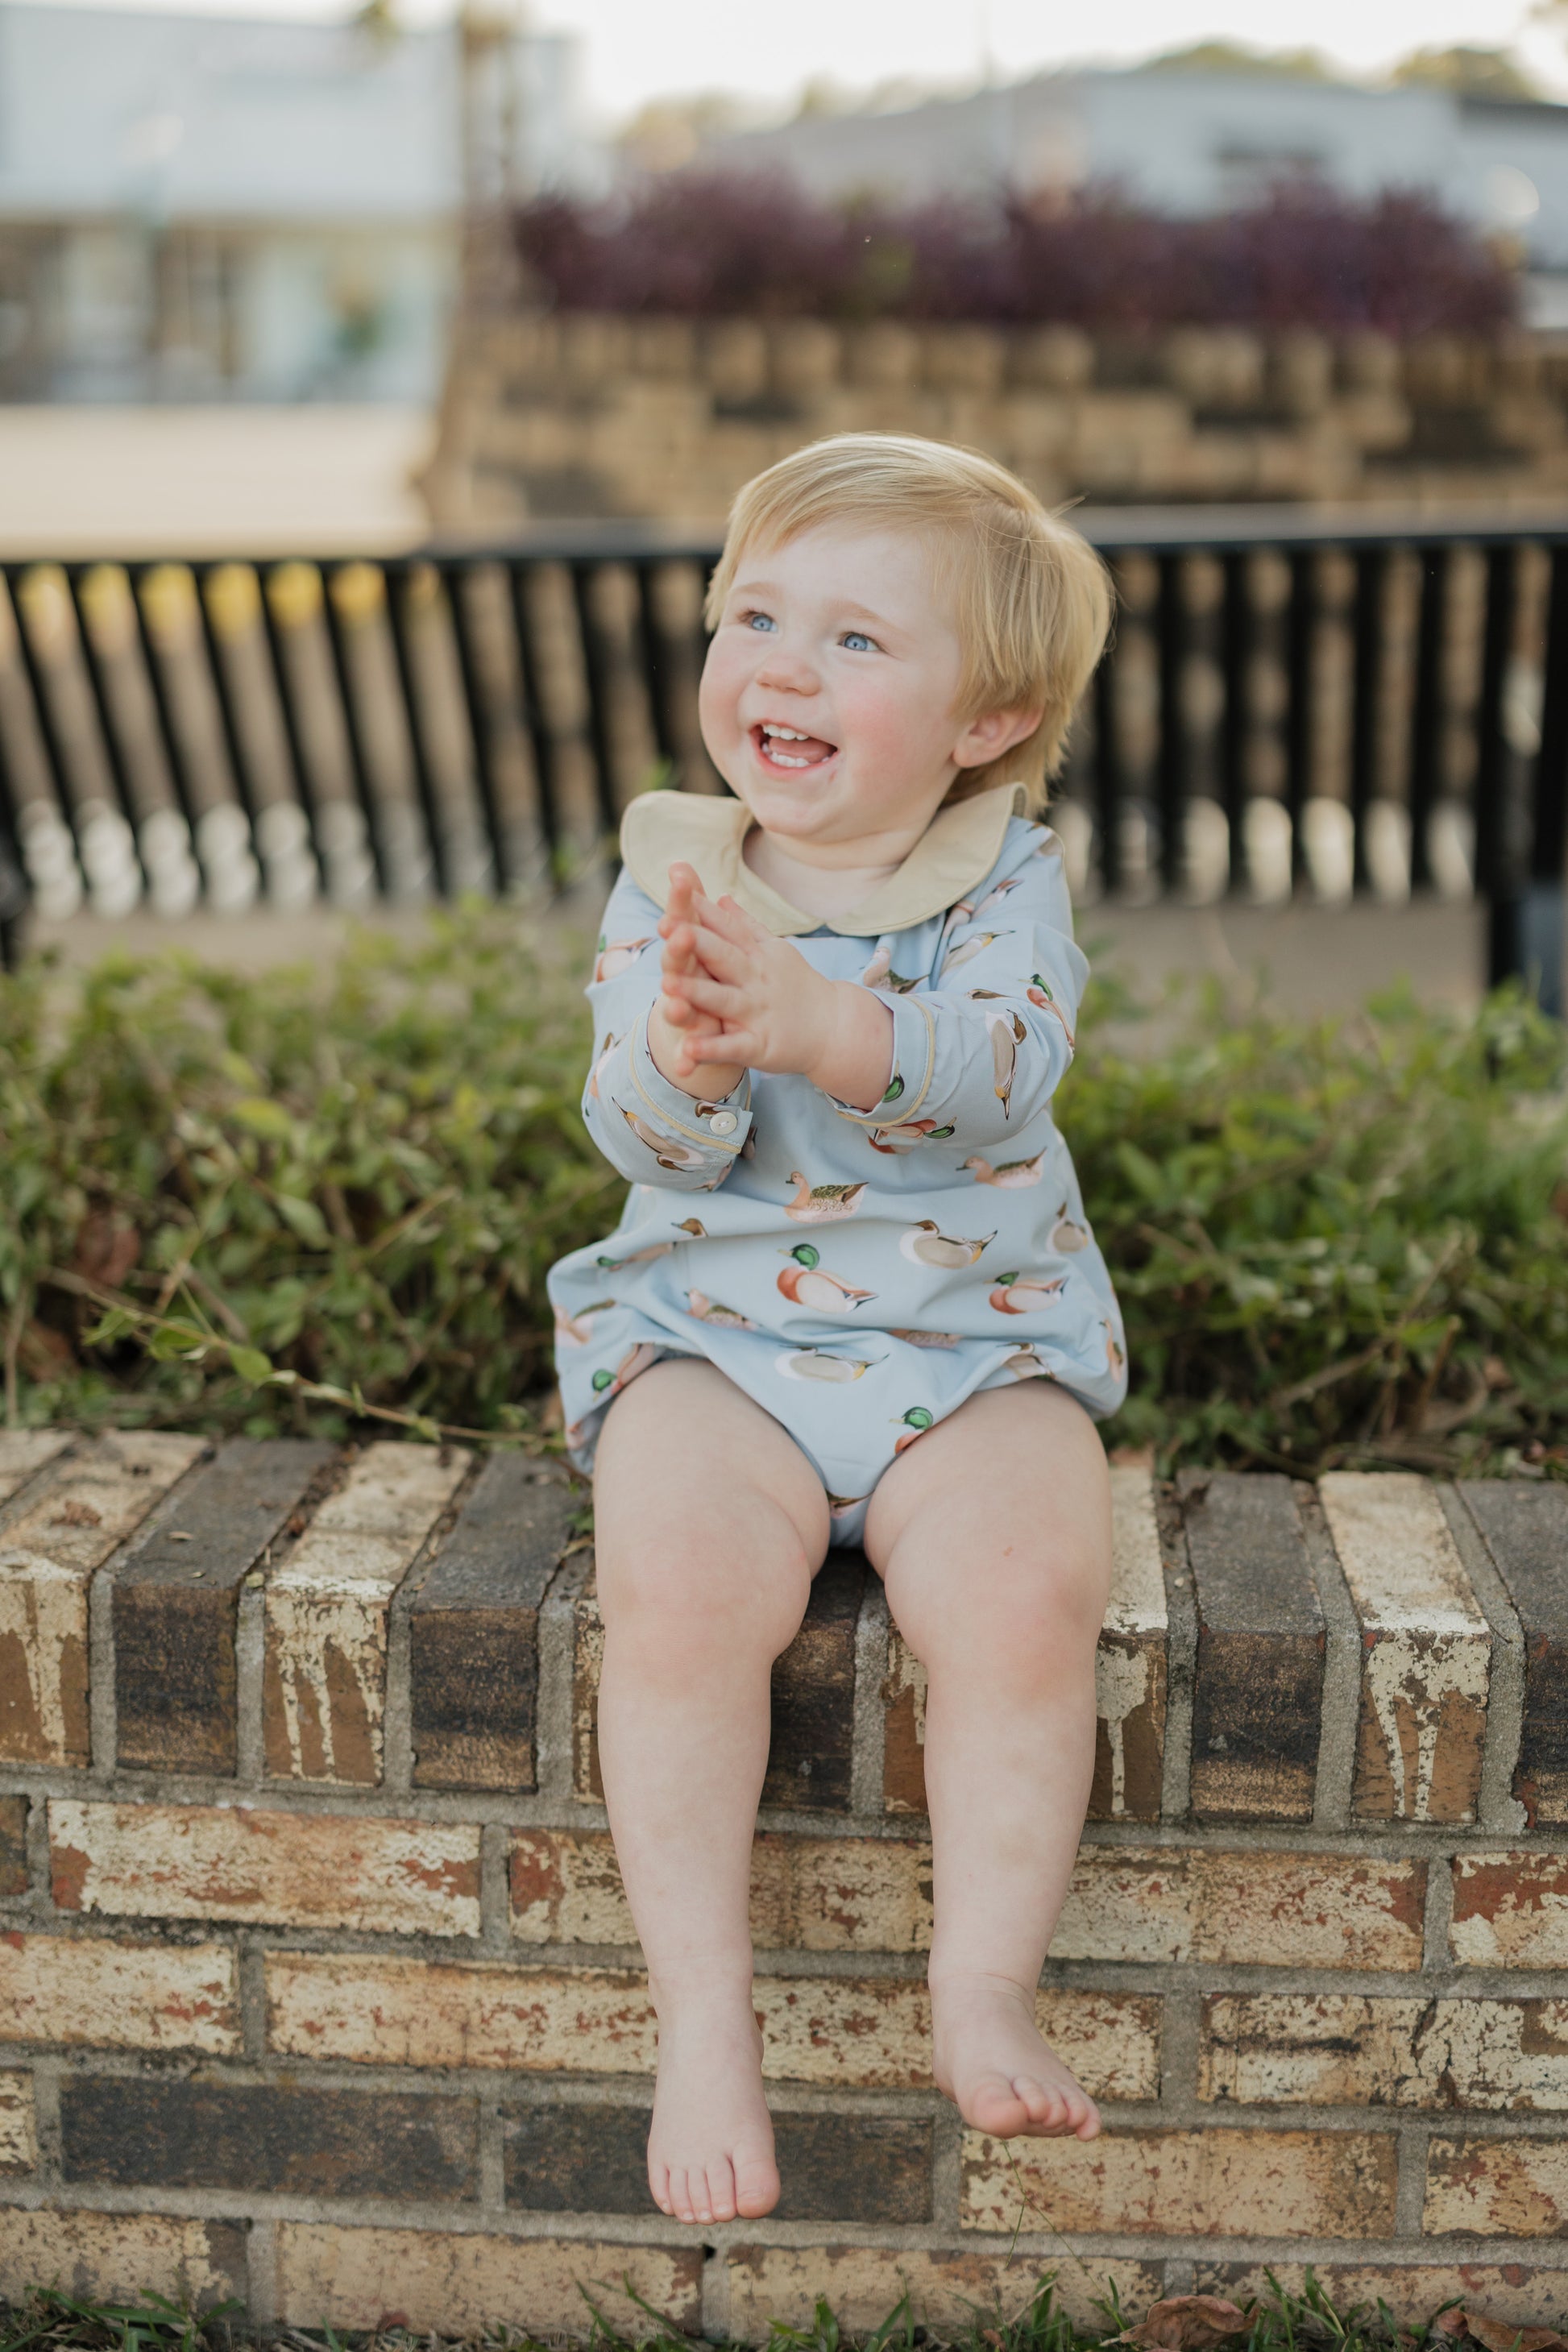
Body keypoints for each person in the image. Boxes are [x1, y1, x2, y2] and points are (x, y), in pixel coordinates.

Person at [547, 432, 1126, 2230]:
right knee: (679, 1596)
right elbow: (634, 1136)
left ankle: (979, 1976)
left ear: (985, 718)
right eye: (758, 616)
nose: (783, 664)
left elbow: (996, 1073)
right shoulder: (679, 875)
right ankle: (704, 2014)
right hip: (721, 1348)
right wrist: (686, 1059)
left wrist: (817, 1022)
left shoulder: (1000, 879)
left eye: (858, 642)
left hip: (972, 1350)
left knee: (1030, 1592)